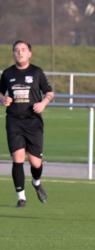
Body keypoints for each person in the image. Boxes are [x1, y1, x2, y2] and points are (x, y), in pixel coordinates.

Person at [0, 40, 54, 208]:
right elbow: (0, 92)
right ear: (13, 53)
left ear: (29, 53)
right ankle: (21, 197)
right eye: (16, 50)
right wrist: (3, 99)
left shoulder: (36, 72)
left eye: (23, 50)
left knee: (36, 163)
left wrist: (43, 103)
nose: (20, 52)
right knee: (17, 158)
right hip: (14, 121)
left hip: (33, 122)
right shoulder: (7, 74)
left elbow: (50, 92)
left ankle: (36, 182)